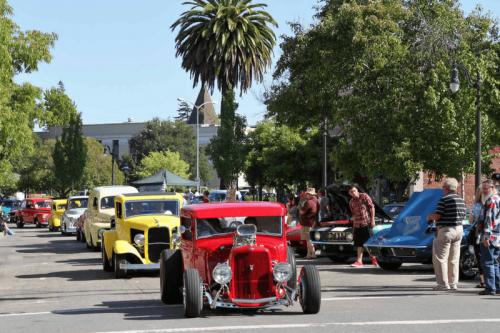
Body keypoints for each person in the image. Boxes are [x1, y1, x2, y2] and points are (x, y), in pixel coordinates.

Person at [426, 178, 466, 291]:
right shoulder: (461, 200)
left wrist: (430, 217)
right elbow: (464, 216)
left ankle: (443, 284)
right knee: (454, 258)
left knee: (440, 257)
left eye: (443, 188)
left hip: (446, 230)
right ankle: (453, 283)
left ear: (446, 189)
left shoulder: (444, 200)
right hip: (458, 229)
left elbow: (437, 216)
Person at [477, 180, 500, 296]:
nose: (484, 191)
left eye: (486, 188)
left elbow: (488, 220)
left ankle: (490, 288)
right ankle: (497, 287)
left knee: (488, 262)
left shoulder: (491, 200)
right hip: (497, 237)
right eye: (483, 189)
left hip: (490, 236)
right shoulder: (497, 199)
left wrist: (486, 237)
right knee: (494, 262)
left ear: (492, 187)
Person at [348, 185, 378, 267]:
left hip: (366, 222)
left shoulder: (364, 196)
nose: (353, 193)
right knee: (359, 243)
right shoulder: (351, 202)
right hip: (357, 224)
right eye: (351, 192)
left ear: (357, 190)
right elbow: (354, 215)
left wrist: (372, 220)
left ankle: (373, 257)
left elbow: (372, 207)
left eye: (354, 191)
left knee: (369, 242)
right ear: (349, 193)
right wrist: (354, 228)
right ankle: (359, 261)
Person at [469, 186, 485, 288]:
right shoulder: (494, 203)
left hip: (478, 233)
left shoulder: (475, 206)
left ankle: (483, 281)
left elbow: (470, 221)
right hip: (491, 234)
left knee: (479, 257)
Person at [299, 188, 318, 259]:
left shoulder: (309, 202)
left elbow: (302, 212)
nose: (306, 195)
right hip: (312, 222)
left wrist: (299, 208)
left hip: (307, 222)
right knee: (308, 239)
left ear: (310, 194)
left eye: (307, 193)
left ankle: (312, 254)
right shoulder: (316, 201)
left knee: (309, 239)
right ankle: (308, 254)